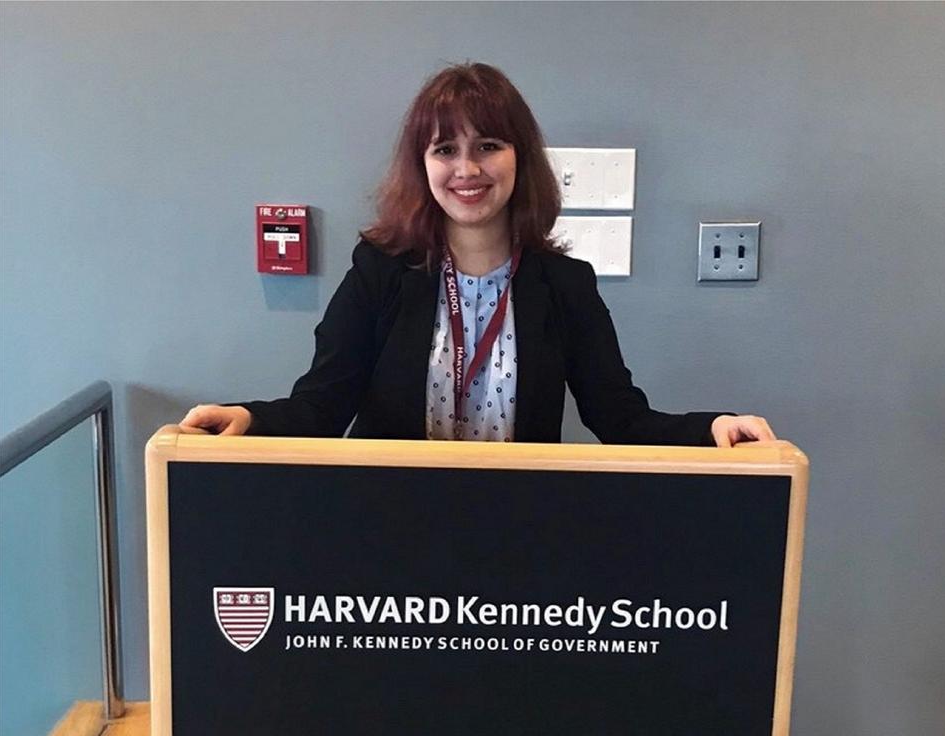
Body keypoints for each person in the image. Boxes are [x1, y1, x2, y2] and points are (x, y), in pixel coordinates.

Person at [181, 63, 775, 448]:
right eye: (445, 149)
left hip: (514, 536)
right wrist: (249, 420)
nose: (467, 169)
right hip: (388, 534)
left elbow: (620, 418)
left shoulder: (565, 284)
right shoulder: (380, 271)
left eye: (488, 145)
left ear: (520, 160)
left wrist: (712, 429)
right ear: (424, 165)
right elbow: (321, 406)